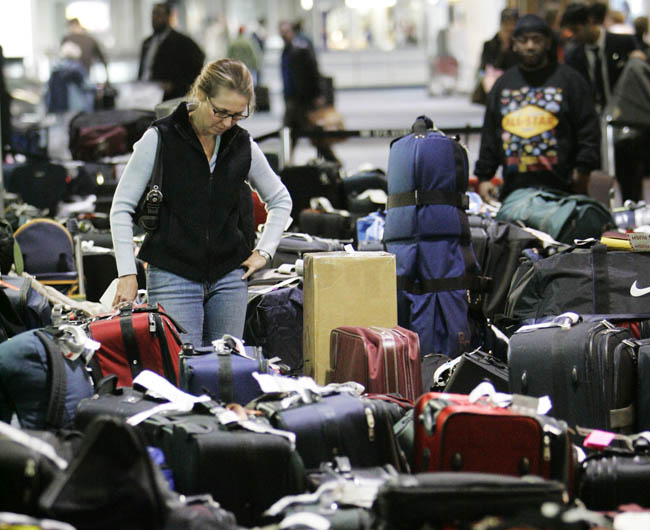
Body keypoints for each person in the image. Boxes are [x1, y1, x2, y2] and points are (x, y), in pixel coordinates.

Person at [110, 59, 292, 346]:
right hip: (172, 276)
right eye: (220, 111)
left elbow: (280, 199)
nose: (227, 123)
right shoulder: (160, 138)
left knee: (229, 374)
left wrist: (264, 252)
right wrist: (127, 274)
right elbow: (121, 208)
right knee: (181, 374)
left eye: (237, 115)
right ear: (200, 95)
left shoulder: (241, 143)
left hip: (230, 278)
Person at [474, 14, 601, 204]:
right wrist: (484, 177)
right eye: (523, 41)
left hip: (563, 193)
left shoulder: (570, 81)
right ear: (514, 44)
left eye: (536, 40)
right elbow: (491, 134)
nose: (530, 46)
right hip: (514, 194)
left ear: (548, 43)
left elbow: (588, 129)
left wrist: (583, 170)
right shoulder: (503, 85)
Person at [562, 2, 647, 202]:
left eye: (576, 29)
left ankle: (633, 225)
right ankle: (602, 219)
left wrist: (639, 58)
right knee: (598, 178)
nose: (574, 35)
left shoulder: (623, 43)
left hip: (626, 123)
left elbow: (643, 60)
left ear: (590, 22)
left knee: (630, 176)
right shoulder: (574, 55)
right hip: (594, 124)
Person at [279, 20, 339, 164]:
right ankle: (286, 165)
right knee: (290, 134)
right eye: (281, 32)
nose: (283, 35)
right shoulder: (287, 50)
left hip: (302, 101)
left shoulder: (301, 48)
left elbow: (313, 73)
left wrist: (317, 95)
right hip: (292, 100)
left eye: (286, 31)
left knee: (312, 134)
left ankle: (332, 161)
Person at [138, 3, 205, 101]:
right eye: (153, 14)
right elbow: (143, 70)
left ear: (168, 17)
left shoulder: (181, 41)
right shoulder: (147, 42)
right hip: (145, 94)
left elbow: (198, 63)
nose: (155, 18)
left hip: (169, 97)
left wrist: (176, 85)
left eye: (159, 14)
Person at [472, 8, 519, 104]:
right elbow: (485, 67)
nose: (510, 28)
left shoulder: (518, 45)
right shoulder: (490, 44)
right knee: (489, 78)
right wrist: (503, 48)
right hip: (494, 79)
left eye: (513, 24)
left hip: (514, 79)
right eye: (507, 24)